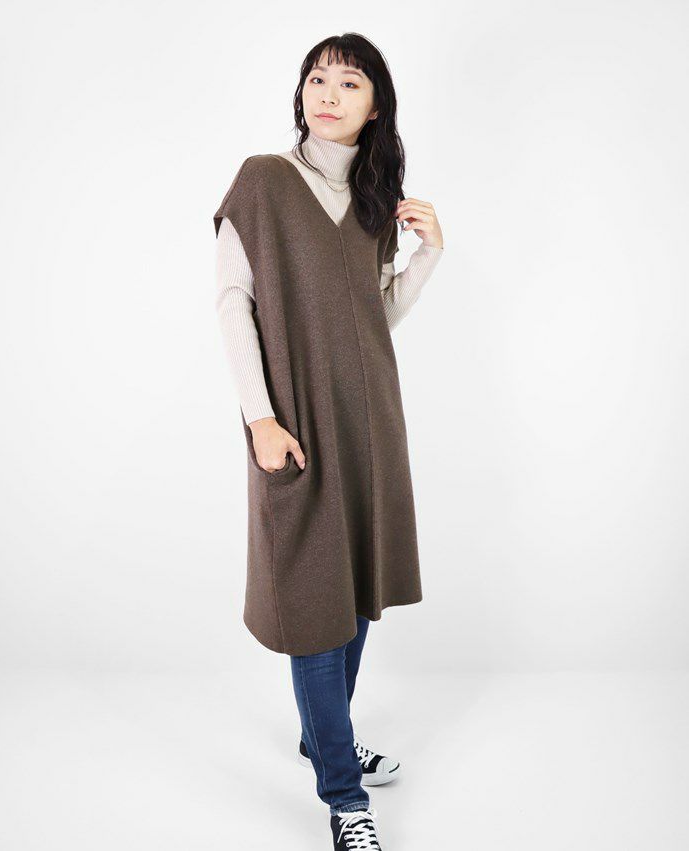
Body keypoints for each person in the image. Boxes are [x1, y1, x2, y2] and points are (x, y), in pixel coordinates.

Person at [213, 33, 444, 850]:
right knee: (314, 604)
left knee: (355, 589)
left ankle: (325, 737)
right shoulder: (264, 181)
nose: (328, 93)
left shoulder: (378, 204)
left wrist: (427, 255)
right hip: (297, 426)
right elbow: (232, 302)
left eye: (348, 82)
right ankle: (344, 796)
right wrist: (260, 417)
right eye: (317, 78)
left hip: (370, 421)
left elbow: (373, 318)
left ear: (375, 106)